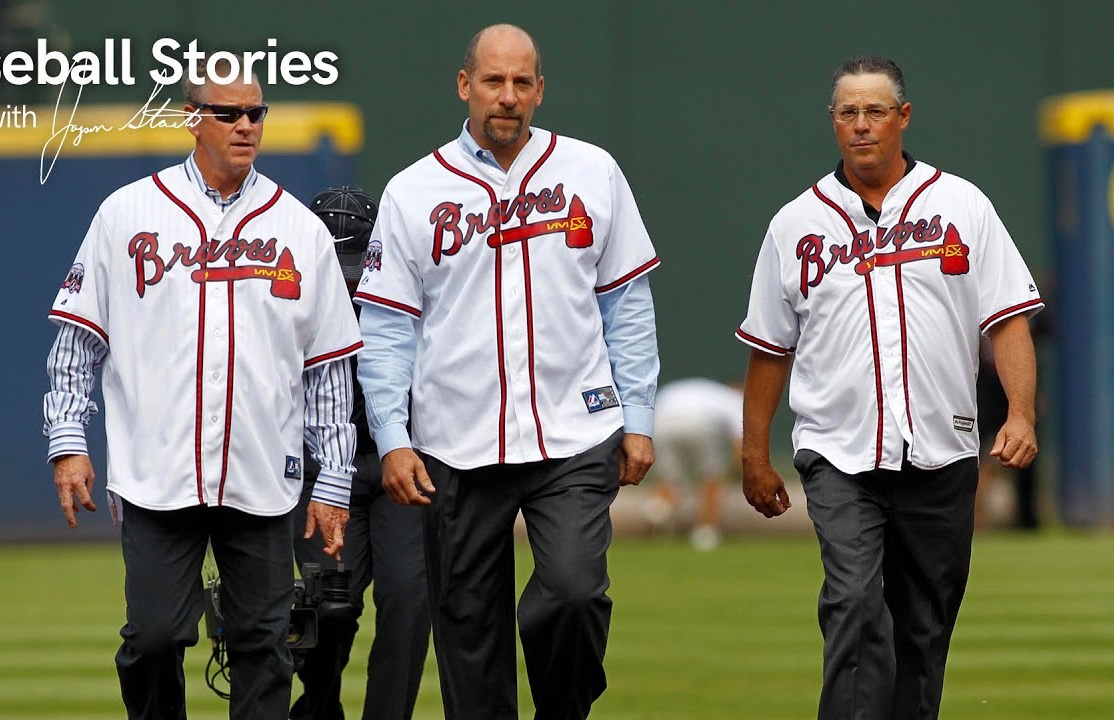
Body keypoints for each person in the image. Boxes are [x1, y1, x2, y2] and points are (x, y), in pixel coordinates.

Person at [353, 24, 660, 720]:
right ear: (466, 86)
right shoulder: (414, 190)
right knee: (467, 633)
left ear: (541, 90)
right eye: (494, 81)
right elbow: (387, 329)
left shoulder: (591, 171)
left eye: (522, 82)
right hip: (455, 441)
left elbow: (627, 305)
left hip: (573, 430)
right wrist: (393, 435)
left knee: (575, 593)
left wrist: (637, 417)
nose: (508, 96)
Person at [43, 57, 362, 719]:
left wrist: (332, 482)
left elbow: (327, 366)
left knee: (265, 645)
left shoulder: (298, 229)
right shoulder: (128, 213)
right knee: (156, 638)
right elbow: (78, 340)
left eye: (256, 113)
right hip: (157, 473)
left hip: (263, 473)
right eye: (229, 113)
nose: (246, 125)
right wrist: (68, 440)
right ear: (193, 119)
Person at [736, 55, 1043, 719]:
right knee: (851, 601)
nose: (861, 125)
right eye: (848, 112)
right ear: (832, 122)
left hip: (941, 447)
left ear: (903, 117)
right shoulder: (796, 224)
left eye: (875, 111)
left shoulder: (961, 204)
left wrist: (1020, 412)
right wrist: (754, 456)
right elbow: (768, 349)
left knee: (923, 628)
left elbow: (1008, 319)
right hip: (838, 450)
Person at [290, 186, 430, 720]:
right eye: (336, 264)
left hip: (401, 461)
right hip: (321, 467)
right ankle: (317, 709)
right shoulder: (281, 293)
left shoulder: (409, 288)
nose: (347, 279)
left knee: (410, 604)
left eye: (355, 264)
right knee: (330, 606)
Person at [644, 377, 743, 550]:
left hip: (661, 421)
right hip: (698, 423)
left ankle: (657, 511)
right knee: (713, 477)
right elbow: (739, 443)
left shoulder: (704, 390)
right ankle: (705, 533)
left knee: (669, 479)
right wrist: (741, 472)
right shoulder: (735, 400)